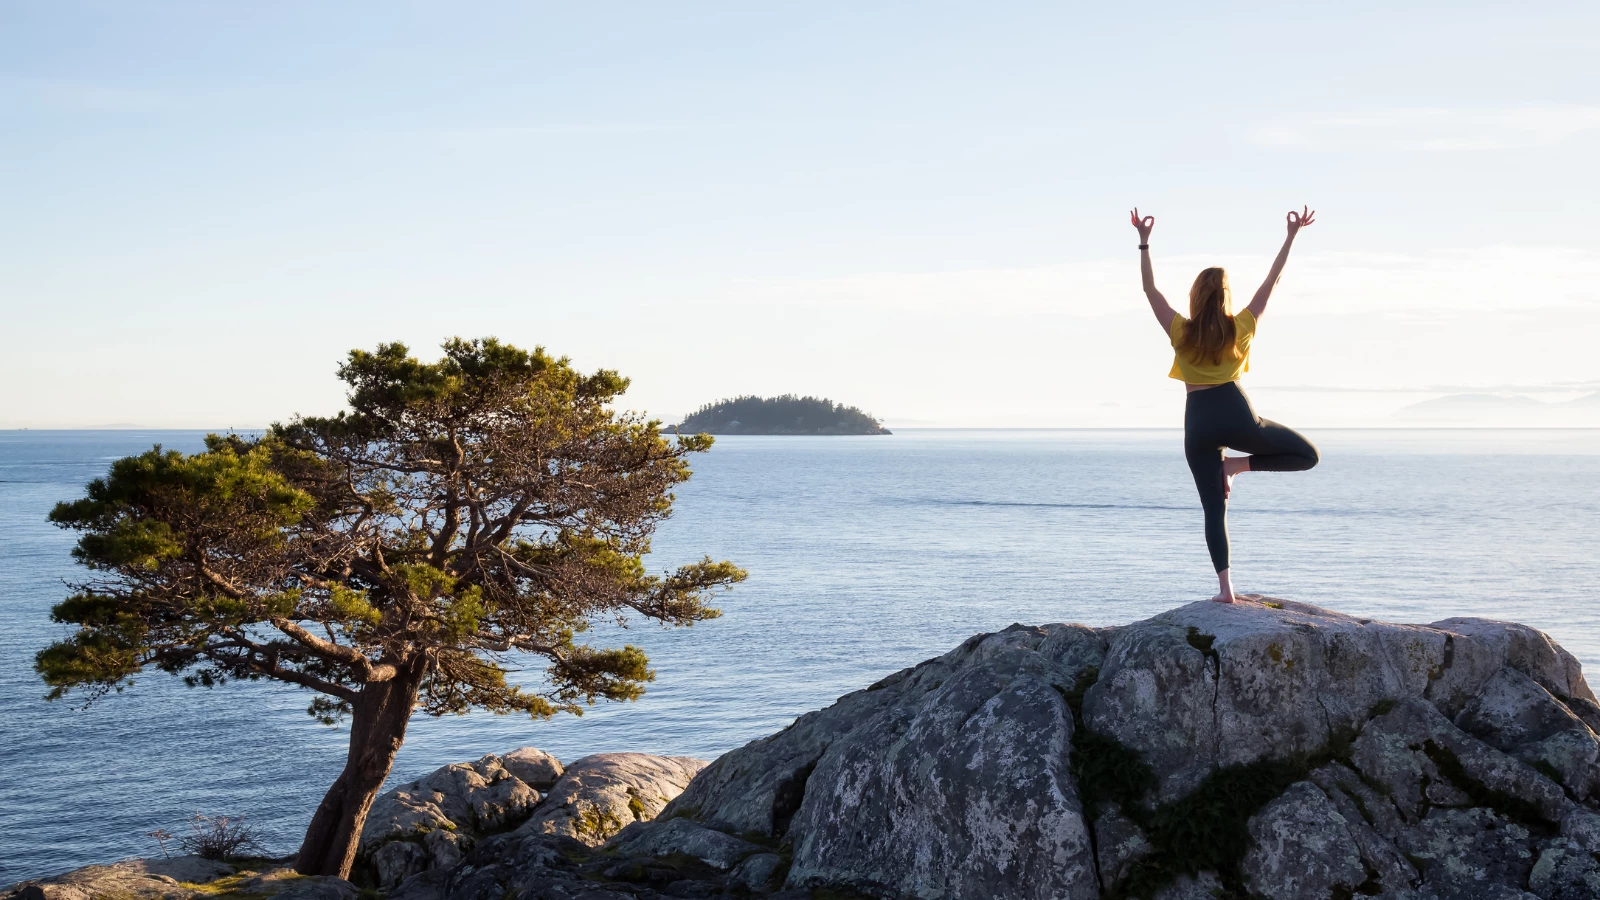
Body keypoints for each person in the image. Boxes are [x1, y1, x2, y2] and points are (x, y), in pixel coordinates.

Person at [1131, 206, 1320, 603]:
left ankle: (1226, 590)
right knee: (1307, 455)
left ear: (1196, 296)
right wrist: (1291, 236)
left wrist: (1145, 242)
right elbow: (1273, 280)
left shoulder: (1180, 329)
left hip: (1198, 423)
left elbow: (1150, 291)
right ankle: (1237, 465)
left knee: (1213, 509)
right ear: (1227, 297)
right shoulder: (1242, 327)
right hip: (1236, 414)